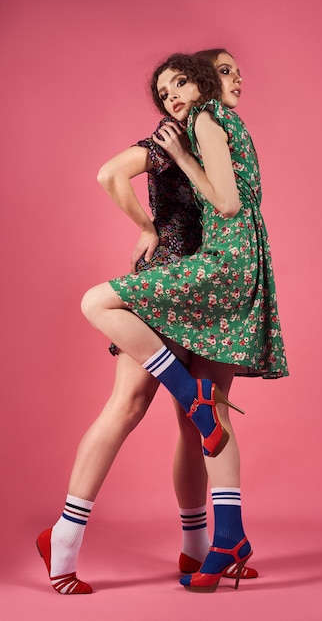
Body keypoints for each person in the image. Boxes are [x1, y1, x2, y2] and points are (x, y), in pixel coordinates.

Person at [36, 49, 258, 595]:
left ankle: (199, 548)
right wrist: (148, 230)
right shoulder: (170, 135)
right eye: (220, 70)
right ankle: (63, 536)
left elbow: (229, 204)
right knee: (130, 405)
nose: (234, 77)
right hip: (173, 277)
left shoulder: (220, 135)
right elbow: (111, 174)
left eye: (234, 69)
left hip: (212, 280)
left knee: (202, 417)